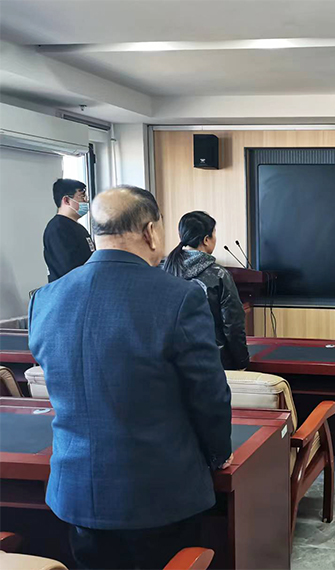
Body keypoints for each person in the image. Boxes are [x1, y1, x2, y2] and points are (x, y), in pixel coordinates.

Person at [28, 186, 232, 569]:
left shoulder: (46, 298)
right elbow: (209, 396)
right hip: (159, 495)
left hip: (77, 492)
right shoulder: (179, 298)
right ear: (151, 231)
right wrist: (219, 453)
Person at [162, 211, 249, 370]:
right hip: (213, 362)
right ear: (206, 240)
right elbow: (233, 325)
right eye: (214, 234)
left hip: (172, 362)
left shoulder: (165, 271)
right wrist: (241, 363)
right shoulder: (219, 274)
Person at [43, 178, 95, 282]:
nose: (86, 201)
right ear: (66, 200)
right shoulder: (58, 229)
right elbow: (69, 269)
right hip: (71, 288)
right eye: (82, 196)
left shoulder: (78, 227)